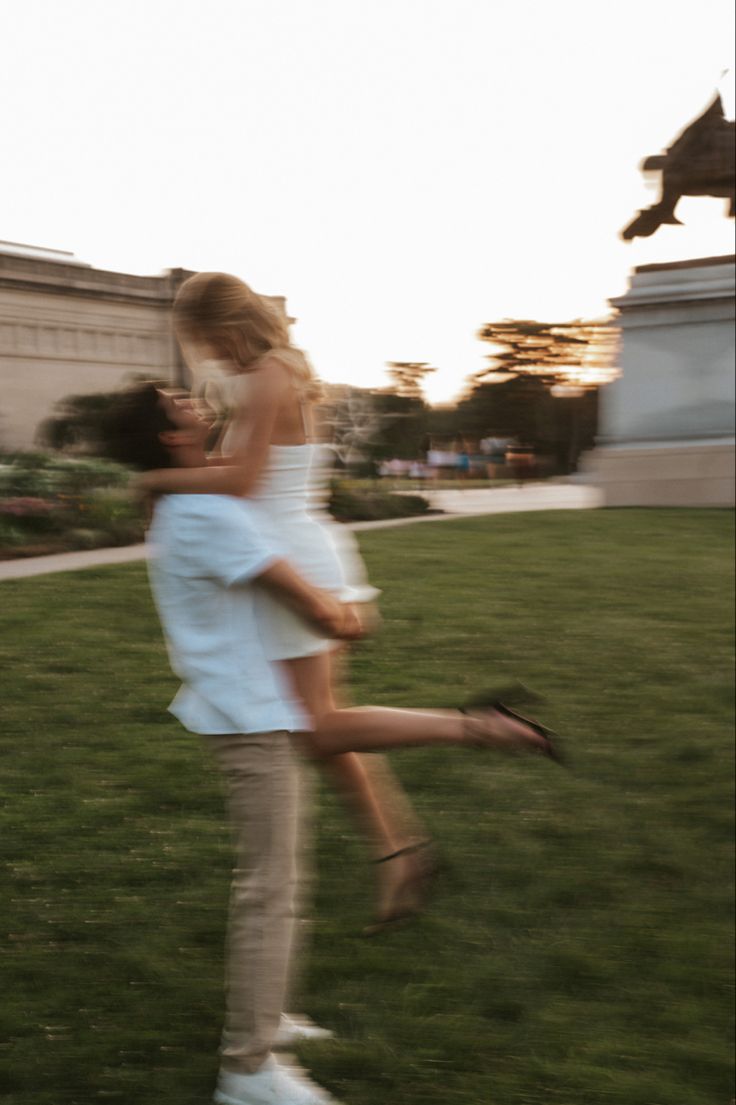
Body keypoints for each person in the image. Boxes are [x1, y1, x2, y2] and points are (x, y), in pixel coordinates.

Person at [108, 382, 559, 1105]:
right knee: (269, 889)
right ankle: (247, 1070)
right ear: (169, 435)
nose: (193, 397)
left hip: (249, 709)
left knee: (281, 882)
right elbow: (310, 604)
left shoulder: (187, 501)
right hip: (247, 719)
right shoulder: (203, 512)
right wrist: (352, 620)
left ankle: (270, 1017)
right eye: (177, 401)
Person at [137, 272, 556, 933]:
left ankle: (478, 726)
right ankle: (399, 855)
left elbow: (243, 482)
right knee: (322, 731)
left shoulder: (271, 374)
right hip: (290, 553)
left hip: (292, 561)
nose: (205, 356)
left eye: (203, 341)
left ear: (224, 327)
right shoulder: (275, 372)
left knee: (317, 730)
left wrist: (154, 476)